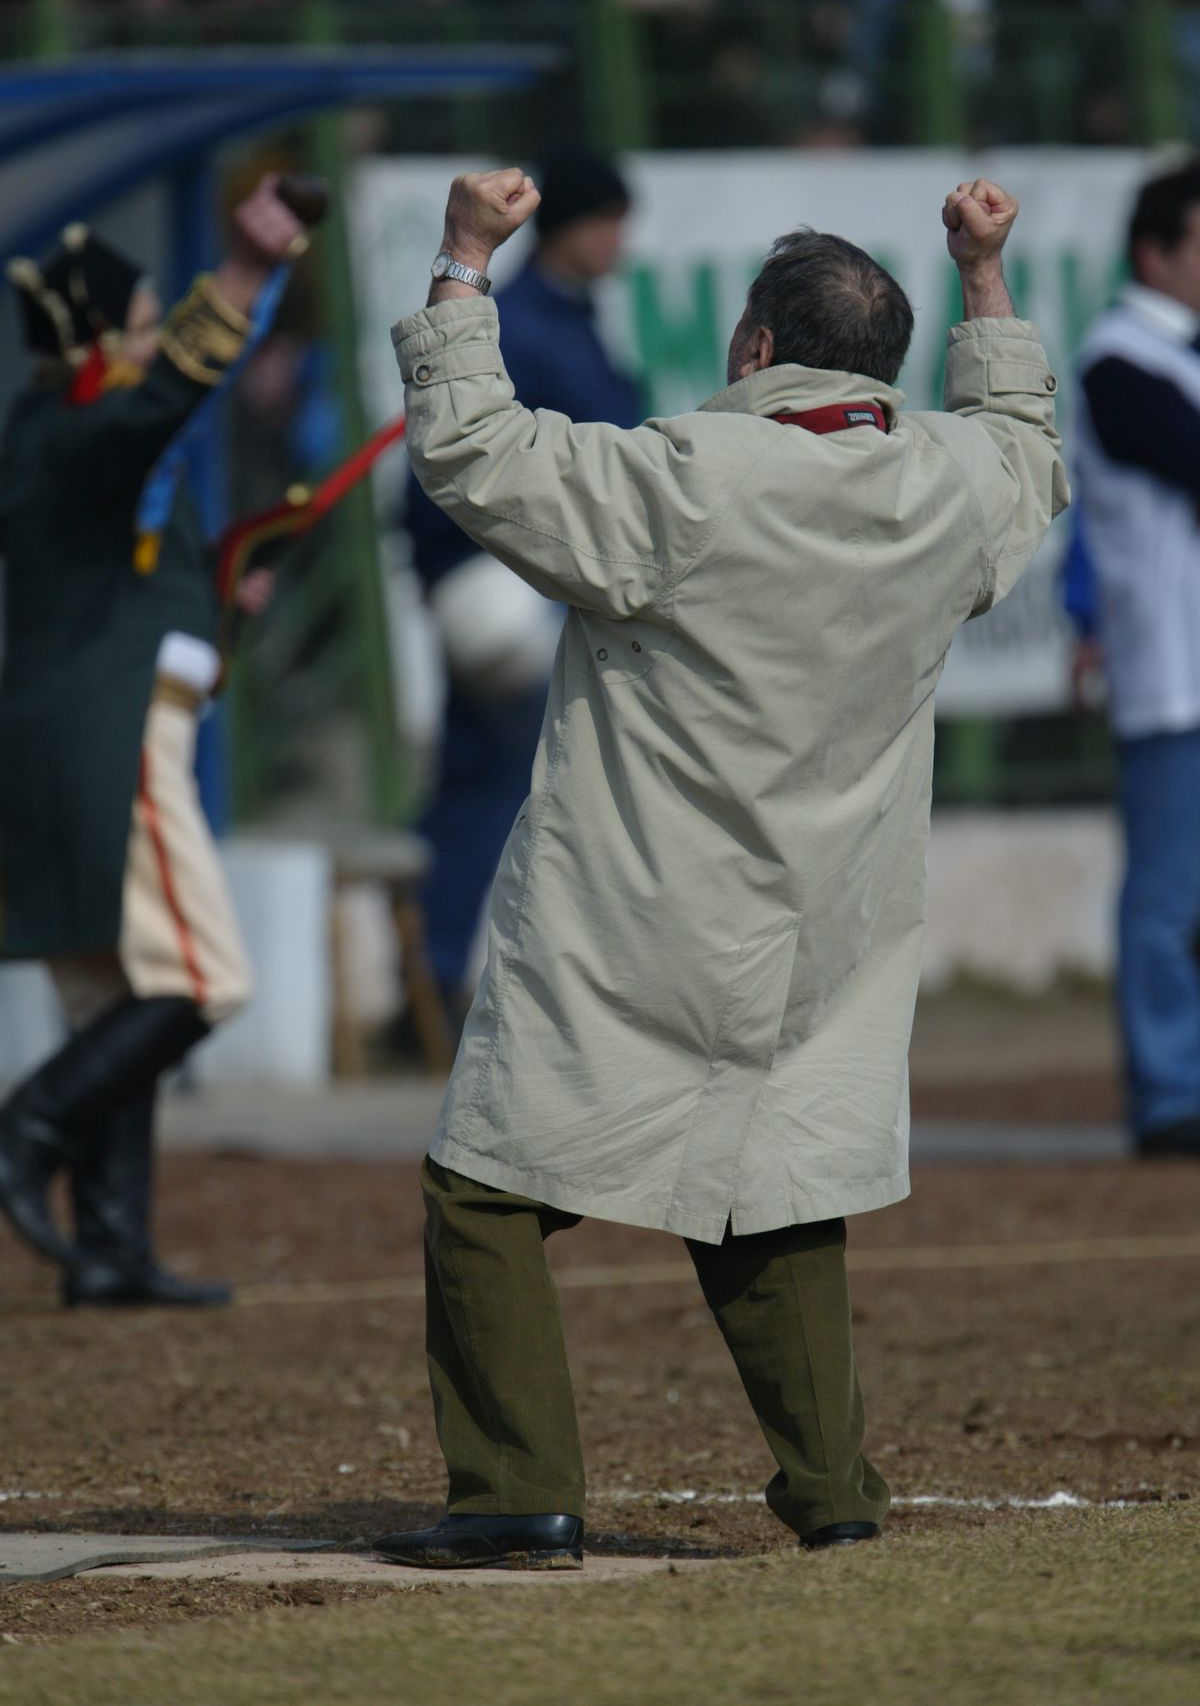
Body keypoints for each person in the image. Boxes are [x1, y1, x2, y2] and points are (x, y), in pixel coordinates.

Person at [374, 165, 1066, 1571]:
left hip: (629, 920)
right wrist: (985, 274)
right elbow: (1026, 440)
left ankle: (517, 1490)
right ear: (880, 357)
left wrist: (462, 256)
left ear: (754, 348)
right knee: (782, 1196)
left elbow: (472, 451)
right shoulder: (951, 490)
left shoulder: (680, 475)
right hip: (827, 933)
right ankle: (834, 1489)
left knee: (487, 1189)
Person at [0, 176, 307, 1306]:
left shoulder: (47, 431)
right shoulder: (83, 424)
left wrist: (222, 595)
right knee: (201, 980)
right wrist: (241, 274)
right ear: (99, 340)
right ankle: (28, 1125)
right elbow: (157, 401)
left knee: (116, 992)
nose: (148, 341)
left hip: (69, 723)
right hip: (112, 725)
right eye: (136, 325)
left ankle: (112, 1250)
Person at [404, 149, 641, 1025]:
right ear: (573, 225)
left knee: (481, 781)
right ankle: (472, 981)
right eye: (607, 218)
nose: (619, 237)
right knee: (530, 781)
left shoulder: (561, 316)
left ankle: (434, 972)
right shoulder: (531, 324)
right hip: (510, 590)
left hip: (493, 588)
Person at [1071, 157, 1200, 1159]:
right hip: (1173, 671)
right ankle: (1167, 1091)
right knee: (1167, 896)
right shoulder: (1121, 361)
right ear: (1156, 253)